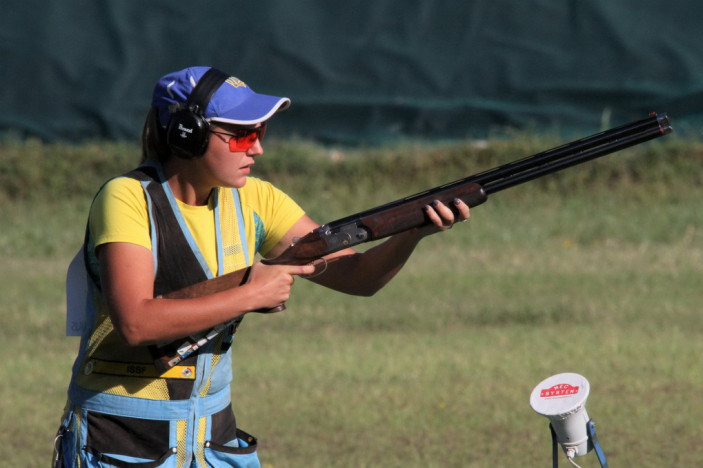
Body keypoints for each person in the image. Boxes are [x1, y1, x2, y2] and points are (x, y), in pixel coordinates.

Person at [54, 66, 470, 468]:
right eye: (241, 135)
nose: (257, 148)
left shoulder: (256, 199)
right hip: (122, 443)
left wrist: (411, 232)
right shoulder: (127, 198)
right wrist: (251, 293)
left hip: (214, 438)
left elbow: (359, 278)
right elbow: (136, 323)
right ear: (188, 133)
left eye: (260, 133)